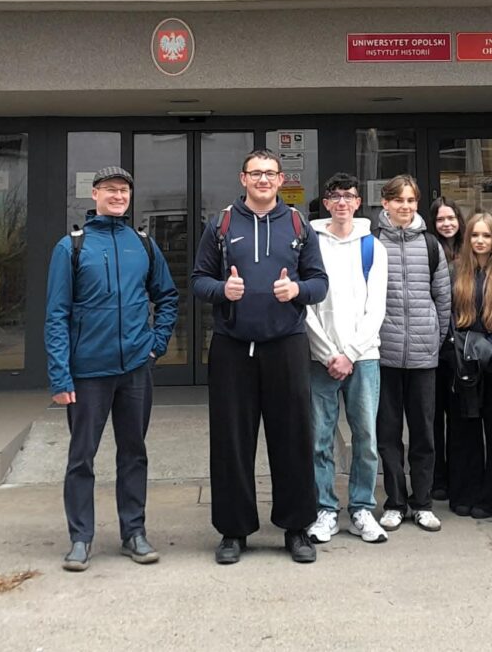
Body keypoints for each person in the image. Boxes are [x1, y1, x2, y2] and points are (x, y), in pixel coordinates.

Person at [190, 149, 330, 565]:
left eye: (270, 173)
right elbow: (198, 280)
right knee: (231, 442)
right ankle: (233, 531)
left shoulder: (299, 225)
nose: (263, 179)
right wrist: (223, 291)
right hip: (233, 347)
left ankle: (296, 527)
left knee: (293, 439)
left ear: (281, 179)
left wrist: (297, 291)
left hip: (286, 344)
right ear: (243, 178)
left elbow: (320, 283)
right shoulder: (221, 225)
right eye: (256, 173)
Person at [45, 166, 179, 572]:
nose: (118, 196)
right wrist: (60, 375)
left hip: (135, 369)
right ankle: (80, 538)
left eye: (124, 190)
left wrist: (155, 345)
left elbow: (168, 297)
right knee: (81, 457)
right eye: (110, 189)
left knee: (134, 454)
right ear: (95, 194)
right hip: (87, 373)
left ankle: (134, 532)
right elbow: (56, 316)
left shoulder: (144, 244)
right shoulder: (72, 247)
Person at [305, 173, 390, 545]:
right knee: (318, 439)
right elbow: (305, 303)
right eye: (335, 196)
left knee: (366, 438)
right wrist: (329, 353)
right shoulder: (310, 244)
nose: (342, 202)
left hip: (363, 358)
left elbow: (377, 307)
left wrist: (351, 353)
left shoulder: (373, 247)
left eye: (349, 196)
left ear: (358, 202)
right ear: (326, 203)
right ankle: (325, 509)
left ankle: (361, 508)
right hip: (319, 358)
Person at [375, 175, 451, 533]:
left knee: (424, 433)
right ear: (385, 203)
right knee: (388, 433)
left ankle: (422, 503)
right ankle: (395, 501)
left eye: (410, 200)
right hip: (383, 354)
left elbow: (443, 297)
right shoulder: (372, 242)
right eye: (398, 200)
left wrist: (435, 336)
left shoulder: (431, 245)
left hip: (423, 355)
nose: (405, 206)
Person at [447, 212, 492, 518]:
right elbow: (449, 319)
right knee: (464, 431)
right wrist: (463, 351)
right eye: (475, 235)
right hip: (463, 366)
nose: (480, 241)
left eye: (486, 236)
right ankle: (465, 492)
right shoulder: (454, 276)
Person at [427, 196, 465, 502]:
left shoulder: (470, 252)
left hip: (461, 346)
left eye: (451, 218)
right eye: (440, 219)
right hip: (432, 343)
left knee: (458, 416)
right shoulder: (428, 250)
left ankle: (456, 476)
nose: (446, 224)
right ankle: (436, 477)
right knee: (432, 417)